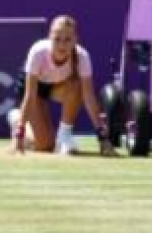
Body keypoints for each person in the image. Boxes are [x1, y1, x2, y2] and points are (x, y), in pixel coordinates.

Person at [11, 15, 111, 155]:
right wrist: (19, 134)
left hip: (57, 87)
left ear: (75, 40)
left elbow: (89, 98)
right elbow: (30, 95)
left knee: (77, 84)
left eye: (67, 40)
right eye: (57, 39)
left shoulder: (82, 57)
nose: (62, 45)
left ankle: (64, 136)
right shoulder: (38, 52)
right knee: (45, 145)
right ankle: (17, 120)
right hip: (34, 91)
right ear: (49, 38)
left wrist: (103, 138)